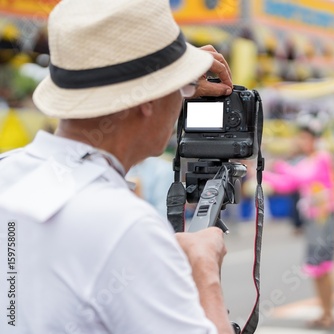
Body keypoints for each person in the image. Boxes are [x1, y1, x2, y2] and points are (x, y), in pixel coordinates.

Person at [0, 0, 235, 333]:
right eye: (180, 88)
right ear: (147, 102)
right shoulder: (126, 226)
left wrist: (164, 79)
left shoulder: (8, 172)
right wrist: (204, 268)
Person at [264, 125, 334, 329]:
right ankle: (325, 311)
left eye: (305, 138)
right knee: (316, 267)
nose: (301, 142)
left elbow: (301, 177)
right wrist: (260, 173)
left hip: (324, 218)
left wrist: (280, 165)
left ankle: (329, 312)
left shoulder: (322, 157)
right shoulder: (305, 161)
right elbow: (287, 184)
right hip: (312, 220)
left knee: (323, 266)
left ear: (314, 139)